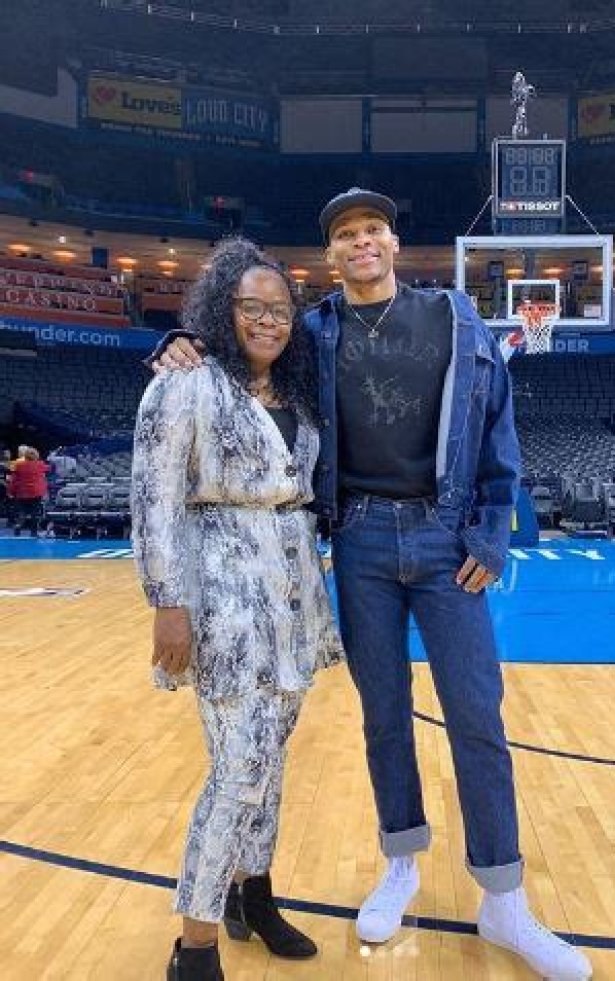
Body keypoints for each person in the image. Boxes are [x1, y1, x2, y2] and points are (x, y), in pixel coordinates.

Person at [153, 189, 592, 981]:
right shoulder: (314, 331)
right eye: (347, 234)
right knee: (384, 715)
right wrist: (182, 337)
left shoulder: (455, 316)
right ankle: (401, 864)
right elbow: (244, 340)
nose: (361, 241)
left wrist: (492, 531)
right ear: (332, 255)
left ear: (394, 242)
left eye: (373, 229)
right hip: (358, 538)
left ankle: (504, 896)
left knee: (476, 713)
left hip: (446, 537)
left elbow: (497, 426)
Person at [133, 236, 343, 981]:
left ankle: (254, 895)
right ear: (223, 310)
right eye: (252, 306)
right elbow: (153, 501)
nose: (267, 320)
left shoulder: (298, 393)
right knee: (239, 768)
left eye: (280, 309)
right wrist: (167, 603)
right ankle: (195, 943)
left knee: (271, 760)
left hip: (292, 597)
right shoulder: (185, 382)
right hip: (222, 601)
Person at [8, 446, 50, 536]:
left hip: (22, 492)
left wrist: (11, 492)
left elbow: (13, 480)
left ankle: (18, 525)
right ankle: (33, 532)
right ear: (36, 455)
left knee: (22, 511)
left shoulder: (18, 465)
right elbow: (49, 468)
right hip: (36, 492)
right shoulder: (41, 464)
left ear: (25, 455)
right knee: (35, 512)